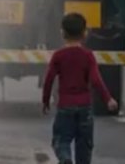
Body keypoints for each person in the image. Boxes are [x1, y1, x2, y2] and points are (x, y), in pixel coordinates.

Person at [42, 13, 118, 164]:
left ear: (62, 33)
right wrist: (108, 99)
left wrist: (45, 101)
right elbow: (96, 80)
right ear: (85, 33)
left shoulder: (58, 56)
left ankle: (65, 159)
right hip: (85, 107)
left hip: (65, 106)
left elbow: (49, 79)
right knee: (84, 146)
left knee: (61, 141)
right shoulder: (88, 56)